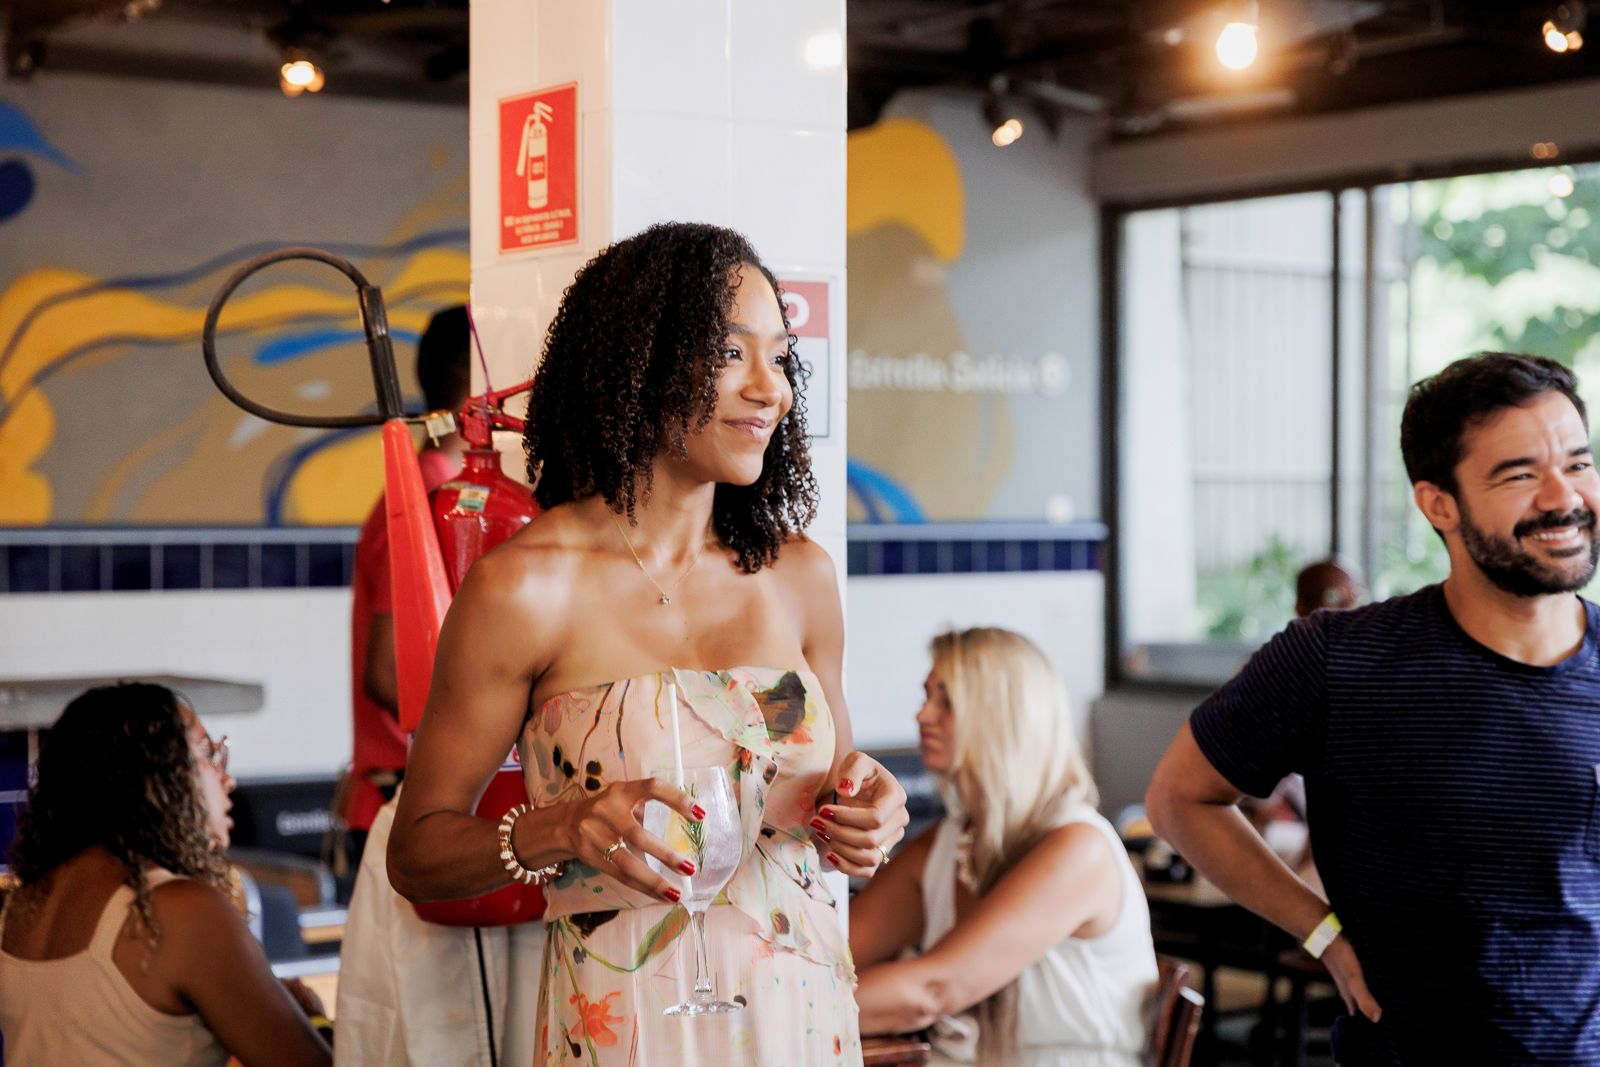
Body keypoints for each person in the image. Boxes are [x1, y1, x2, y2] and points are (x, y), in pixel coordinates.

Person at [387, 221, 909, 1066]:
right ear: (641, 361)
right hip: (626, 1031)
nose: (768, 388)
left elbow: (840, 795)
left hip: (802, 1029)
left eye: (780, 357)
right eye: (731, 353)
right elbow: (416, 852)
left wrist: (870, 811)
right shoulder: (526, 587)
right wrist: (558, 828)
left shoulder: (800, 575)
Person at [1146, 352, 1600, 1064]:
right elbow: (1180, 798)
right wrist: (1319, 930)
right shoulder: (1339, 659)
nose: (1562, 495)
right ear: (1438, 503)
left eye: (1578, 463)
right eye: (1519, 474)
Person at [852, 628, 1157, 1066]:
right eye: (926, 697)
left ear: (1004, 715)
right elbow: (837, 955)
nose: (922, 715)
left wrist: (788, 1007)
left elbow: (932, 991)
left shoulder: (1079, 847)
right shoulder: (946, 845)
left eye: (946, 702)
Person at [0, 682, 330, 1066]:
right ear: (161, 776)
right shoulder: (180, 910)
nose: (228, 779)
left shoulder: (21, 907)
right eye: (208, 754)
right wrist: (313, 1014)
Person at [345, 305, 472, 864]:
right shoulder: (423, 504)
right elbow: (386, 674)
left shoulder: (459, 496)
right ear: (477, 386)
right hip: (404, 810)